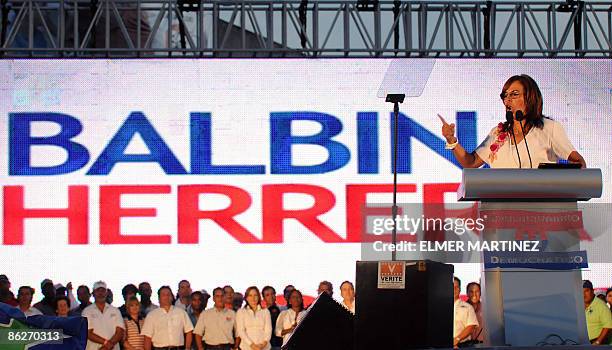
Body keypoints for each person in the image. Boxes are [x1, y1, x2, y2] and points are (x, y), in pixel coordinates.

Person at [439, 74, 586, 169]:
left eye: (514, 94)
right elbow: (470, 163)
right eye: (505, 95)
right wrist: (451, 140)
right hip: (502, 212)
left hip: (541, 211)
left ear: (530, 97)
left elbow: (579, 163)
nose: (507, 100)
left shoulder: (549, 128)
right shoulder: (497, 133)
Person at [141, 286, 193, 350]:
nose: (166, 297)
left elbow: (189, 331)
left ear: (172, 297)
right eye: (163, 295)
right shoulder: (151, 315)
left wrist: (187, 348)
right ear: (159, 298)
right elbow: (147, 337)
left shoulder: (181, 312)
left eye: (168, 294)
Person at [82, 281, 125, 350]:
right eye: (98, 291)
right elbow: (88, 333)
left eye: (103, 290)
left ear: (106, 293)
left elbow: (120, 332)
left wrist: (106, 346)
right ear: (93, 294)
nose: (100, 293)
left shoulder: (115, 310)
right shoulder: (87, 311)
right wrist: (106, 343)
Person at [583, 280, 612, 345]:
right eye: (581, 291)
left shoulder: (601, 306)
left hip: (596, 342)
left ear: (592, 291)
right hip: (580, 342)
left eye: (586, 291)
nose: (584, 294)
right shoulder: (578, 304)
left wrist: (598, 341)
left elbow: (608, 326)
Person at [453, 277, 478, 348]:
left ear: (460, 289)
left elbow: (471, 326)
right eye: (452, 287)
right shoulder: (441, 306)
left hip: (463, 345)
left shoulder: (468, 307)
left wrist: (457, 339)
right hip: (444, 346)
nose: (454, 289)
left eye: (456, 287)